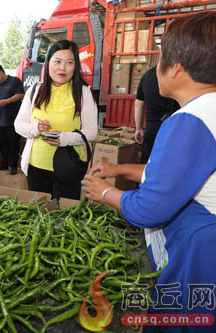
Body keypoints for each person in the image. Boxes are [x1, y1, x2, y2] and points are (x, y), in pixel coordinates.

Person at [82, 12, 216, 333]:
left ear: (177, 69)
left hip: (201, 252)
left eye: (159, 59)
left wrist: (104, 193)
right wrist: (118, 169)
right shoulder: (208, 110)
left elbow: (150, 208)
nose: (154, 68)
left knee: (184, 322)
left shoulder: (189, 121)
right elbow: (172, 176)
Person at [15, 40, 97, 199]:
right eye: (57, 61)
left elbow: (92, 132)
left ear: (76, 66)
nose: (62, 68)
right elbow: (18, 124)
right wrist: (36, 129)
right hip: (36, 165)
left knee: (64, 216)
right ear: (48, 64)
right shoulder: (35, 90)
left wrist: (65, 138)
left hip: (69, 166)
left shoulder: (83, 93)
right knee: (40, 214)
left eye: (69, 62)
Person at [134, 66, 180, 163]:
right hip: (174, 128)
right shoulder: (180, 75)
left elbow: (138, 105)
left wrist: (139, 128)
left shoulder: (147, 76)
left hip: (151, 129)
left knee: (147, 164)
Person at [0, 64, 24, 175]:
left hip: (13, 119)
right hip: (1, 120)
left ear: (1, 72)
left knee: (14, 143)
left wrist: (5, 101)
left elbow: (20, 95)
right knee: (3, 144)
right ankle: (3, 164)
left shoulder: (14, 81)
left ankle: (13, 166)